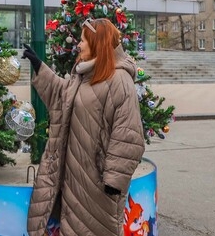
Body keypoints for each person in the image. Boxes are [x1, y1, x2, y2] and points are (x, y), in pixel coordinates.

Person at [21, 17, 146, 236]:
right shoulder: (85, 74)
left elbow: (129, 134)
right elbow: (64, 97)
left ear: (97, 43)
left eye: (83, 41)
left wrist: (113, 181)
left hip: (97, 184)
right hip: (74, 175)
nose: (78, 45)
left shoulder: (119, 80)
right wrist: (40, 67)